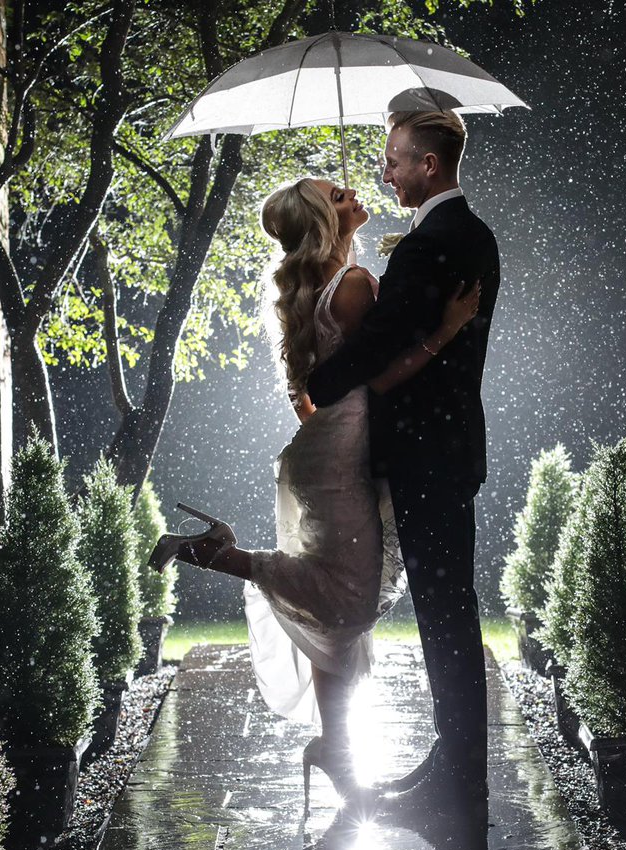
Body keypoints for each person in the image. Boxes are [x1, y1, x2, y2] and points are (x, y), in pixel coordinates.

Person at [147, 174, 480, 809]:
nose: (353, 191)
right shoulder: (351, 286)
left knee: (340, 625)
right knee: (347, 603)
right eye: (338, 195)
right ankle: (212, 551)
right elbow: (381, 376)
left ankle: (337, 750)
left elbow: (308, 396)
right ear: (325, 223)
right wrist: (446, 329)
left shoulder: (312, 293)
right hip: (343, 455)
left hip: (321, 449)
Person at [306, 109, 499, 841]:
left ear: (428, 165)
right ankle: (452, 764)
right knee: (446, 617)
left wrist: (319, 383)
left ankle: (459, 781)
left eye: (394, 160)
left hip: (426, 457)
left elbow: (384, 348)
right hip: (447, 452)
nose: (384, 172)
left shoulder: (432, 247)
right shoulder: (472, 236)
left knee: (447, 622)